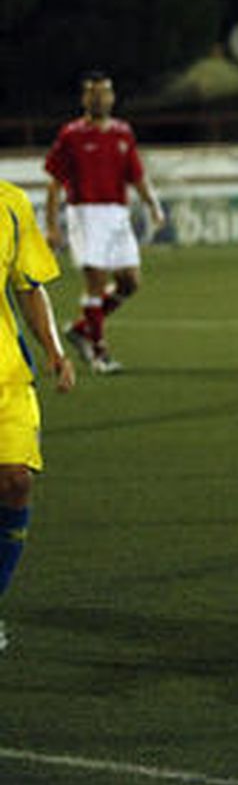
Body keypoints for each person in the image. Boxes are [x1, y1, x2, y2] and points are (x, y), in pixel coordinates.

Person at [44, 70, 166, 375]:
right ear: (84, 98)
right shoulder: (71, 134)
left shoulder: (123, 133)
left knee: (130, 281)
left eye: (104, 92)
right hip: (85, 213)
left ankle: (82, 328)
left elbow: (136, 175)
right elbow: (54, 184)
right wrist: (52, 226)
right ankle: (100, 354)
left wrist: (153, 205)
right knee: (96, 283)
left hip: (117, 215)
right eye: (93, 93)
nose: (99, 98)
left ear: (112, 97)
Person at [1, 180, 77, 653]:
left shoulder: (9, 203)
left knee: (15, 482)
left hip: (4, 372)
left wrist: (54, 350)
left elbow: (29, 286)